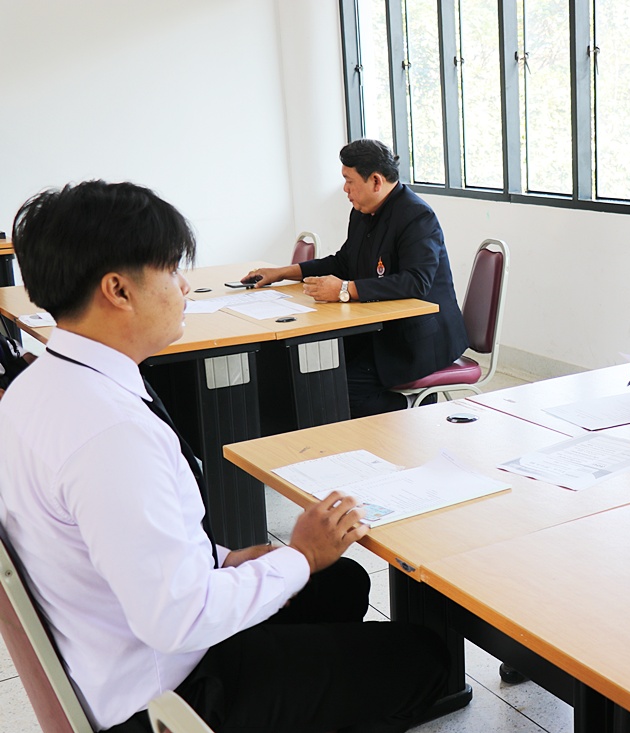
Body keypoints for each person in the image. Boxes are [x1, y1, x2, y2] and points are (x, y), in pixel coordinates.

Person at [0, 180, 449, 733]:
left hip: (111, 643)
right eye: (171, 270)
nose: (184, 286)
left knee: (343, 583)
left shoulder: (35, 386)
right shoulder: (112, 436)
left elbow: (128, 540)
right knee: (424, 658)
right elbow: (178, 618)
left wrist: (225, 559)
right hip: (167, 692)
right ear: (118, 290)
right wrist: (300, 554)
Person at [243, 139, 468, 417]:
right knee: (308, 372)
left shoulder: (417, 216)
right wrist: (282, 272)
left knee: (336, 390)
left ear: (376, 181)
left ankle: (412, 407)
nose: (345, 189)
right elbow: (344, 262)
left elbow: (416, 281)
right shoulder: (362, 213)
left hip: (418, 340)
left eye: (349, 181)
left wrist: (345, 289)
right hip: (377, 331)